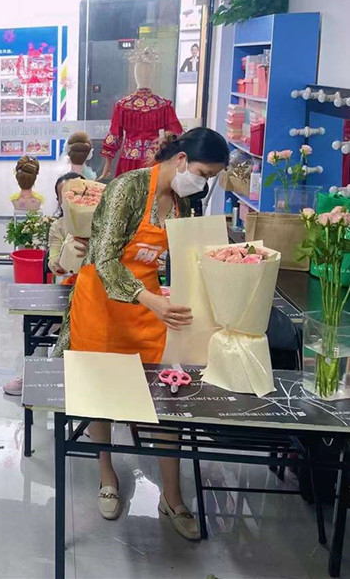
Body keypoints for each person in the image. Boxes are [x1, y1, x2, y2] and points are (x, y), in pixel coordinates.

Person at [52, 127, 229, 539]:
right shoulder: (127, 188)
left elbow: (179, 254)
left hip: (149, 305)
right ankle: (107, 476)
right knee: (100, 394)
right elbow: (104, 259)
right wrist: (151, 300)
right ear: (181, 159)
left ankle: (172, 495)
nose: (203, 183)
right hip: (102, 302)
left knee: (165, 397)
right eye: (203, 173)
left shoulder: (184, 200)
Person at [2, 172, 85, 397]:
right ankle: (34, 374)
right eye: (64, 195)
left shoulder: (105, 224)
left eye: (76, 193)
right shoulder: (59, 226)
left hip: (100, 291)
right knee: (39, 325)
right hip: (70, 289)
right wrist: (65, 256)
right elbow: (54, 264)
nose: (71, 199)